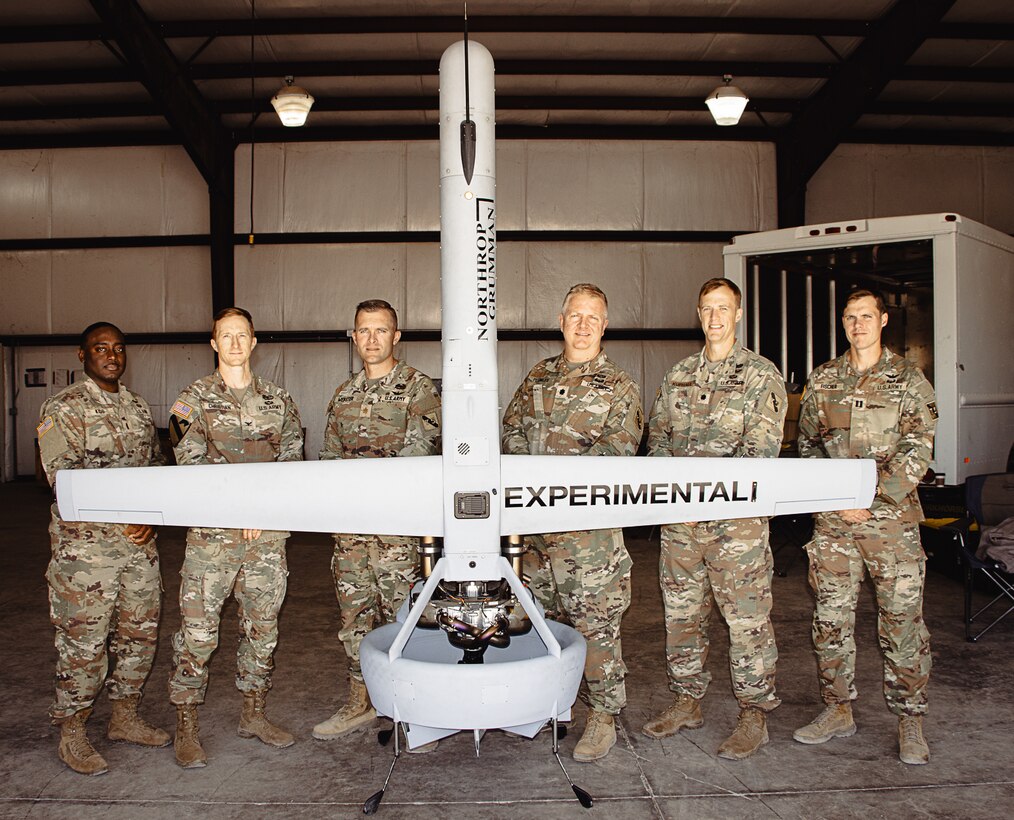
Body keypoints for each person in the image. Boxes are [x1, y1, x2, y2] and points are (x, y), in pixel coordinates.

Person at [641, 278, 786, 760]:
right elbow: (657, 438)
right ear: (698, 314)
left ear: (738, 314)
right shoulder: (679, 373)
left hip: (735, 527)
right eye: (707, 309)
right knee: (681, 616)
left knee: (746, 622)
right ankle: (687, 701)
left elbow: (759, 450)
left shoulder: (761, 375)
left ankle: (754, 713)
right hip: (681, 524)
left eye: (724, 308)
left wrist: (707, 493)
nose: (715, 317)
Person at [795, 288, 937, 765]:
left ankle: (910, 719)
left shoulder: (908, 379)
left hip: (891, 524)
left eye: (866, 316)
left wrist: (872, 495)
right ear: (843, 323)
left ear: (882, 322)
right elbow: (808, 445)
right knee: (831, 621)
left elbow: (919, 446)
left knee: (901, 623)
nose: (858, 324)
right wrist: (836, 497)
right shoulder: (825, 379)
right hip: (835, 526)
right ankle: (837, 709)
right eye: (851, 317)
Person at [502, 283, 642, 762]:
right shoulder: (538, 377)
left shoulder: (620, 387)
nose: (583, 326)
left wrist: (557, 486)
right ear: (561, 322)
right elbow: (512, 433)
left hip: (589, 540)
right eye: (575, 317)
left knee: (597, 628)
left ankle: (603, 717)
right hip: (538, 538)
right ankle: (552, 705)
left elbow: (619, 452)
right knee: (542, 624)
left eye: (593, 318)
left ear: (605, 326)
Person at [167, 307, 304, 768]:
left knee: (262, 629)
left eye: (241, 335)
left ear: (253, 341)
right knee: (199, 633)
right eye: (225, 336)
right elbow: (188, 460)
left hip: (266, 537)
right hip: (212, 536)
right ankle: (186, 725)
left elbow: (292, 462)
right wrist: (242, 501)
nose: (234, 343)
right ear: (213, 343)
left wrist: (260, 507)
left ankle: (253, 713)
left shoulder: (280, 400)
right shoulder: (191, 401)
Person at [38, 322, 169, 776]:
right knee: (84, 644)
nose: (111, 355)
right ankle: (72, 731)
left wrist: (150, 518)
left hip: (138, 549)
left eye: (118, 348)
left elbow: (153, 471)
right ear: (82, 355)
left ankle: (124, 717)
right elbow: (62, 478)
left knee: (140, 635)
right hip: (86, 557)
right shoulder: (63, 407)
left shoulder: (135, 406)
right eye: (100, 348)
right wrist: (127, 516)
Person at [312, 300, 441, 748]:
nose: (371, 339)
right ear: (354, 337)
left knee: (404, 619)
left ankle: (412, 707)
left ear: (396, 336)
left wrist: (363, 481)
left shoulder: (417, 388)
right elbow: (329, 457)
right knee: (355, 619)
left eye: (380, 330)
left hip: (396, 534)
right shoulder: (343, 394)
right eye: (363, 331)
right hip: (351, 534)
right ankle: (361, 698)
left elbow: (419, 449)